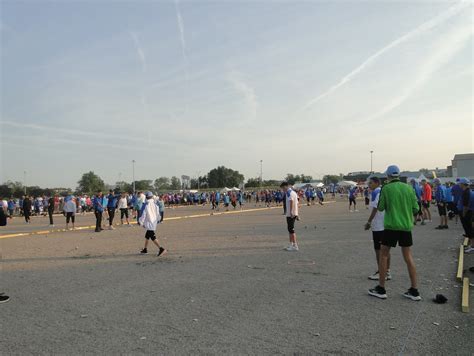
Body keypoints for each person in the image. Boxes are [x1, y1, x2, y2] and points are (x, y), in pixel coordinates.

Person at [369, 165, 421, 301]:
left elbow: (380, 207)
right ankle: (414, 290)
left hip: (391, 226)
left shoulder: (387, 188)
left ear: (388, 176)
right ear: (399, 175)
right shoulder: (408, 188)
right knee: (408, 257)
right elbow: (416, 208)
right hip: (405, 227)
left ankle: (381, 288)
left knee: (384, 255)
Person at [365, 177, 391, 281]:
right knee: (385, 250)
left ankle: (382, 272)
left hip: (379, 226)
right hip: (382, 225)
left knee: (379, 251)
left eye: (370, 183)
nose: (368, 185)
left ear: (376, 183)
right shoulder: (379, 191)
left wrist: (369, 222)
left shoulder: (377, 192)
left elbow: (376, 208)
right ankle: (386, 271)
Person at [139, 192, 167, 256]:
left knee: (152, 237)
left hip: (148, 222)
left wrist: (141, 222)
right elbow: (158, 214)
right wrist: (158, 220)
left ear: (146, 197)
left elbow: (143, 214)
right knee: (147, 236)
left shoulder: (146, 204)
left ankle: (161, 249)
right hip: (154, 222)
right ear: (152, 197)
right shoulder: (155, 204)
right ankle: (145, 249)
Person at [281, 181, 299, 251]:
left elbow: (291, 201)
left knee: (291, 230)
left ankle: (295, 245)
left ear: (286, 186)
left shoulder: (289, 192)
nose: (283, 190)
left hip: (290, 214)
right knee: (290, 229)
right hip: (293, 213)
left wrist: (291, 212)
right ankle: (291, 244)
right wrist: (297, 213)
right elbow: (297, 203)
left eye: (283, 188)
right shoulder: (294, 192)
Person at [459, 178, 474, 253]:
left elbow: (465, 205)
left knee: (469, 229)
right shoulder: (468, 191)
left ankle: (472, 246)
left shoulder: (466, 192)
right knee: (469, 229)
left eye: (460, 183)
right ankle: (471, 245)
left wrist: (463, 214)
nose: (459, 184)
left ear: (463, 184)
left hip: (467, 213)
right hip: (469, 212)